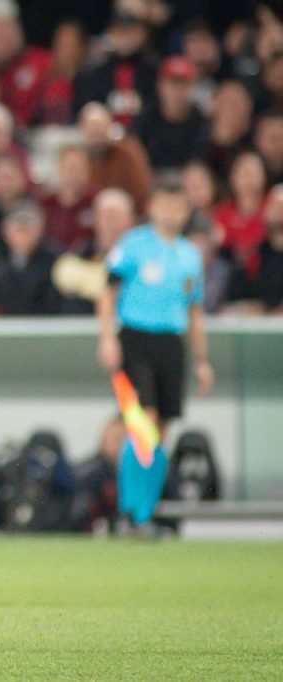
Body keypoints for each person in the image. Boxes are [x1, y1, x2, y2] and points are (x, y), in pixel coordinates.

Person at [97, 179, 214, 526]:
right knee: (141, 420)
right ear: (152, 207)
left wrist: (202, 360)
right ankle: (130, 509)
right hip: (135, 338)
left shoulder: (190, 255)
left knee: (161, 429)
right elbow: (108, 291)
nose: (171, 212)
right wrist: (107, 337)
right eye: (164, 204)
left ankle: (144, 511)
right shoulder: (133, 245)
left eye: (178, 206)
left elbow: (195, 310)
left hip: (171, 342)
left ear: (186, 210)